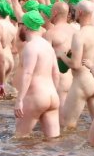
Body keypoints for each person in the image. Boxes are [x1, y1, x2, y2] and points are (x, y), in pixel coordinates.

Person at [14, 10, 60, 138]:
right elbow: (56, 73)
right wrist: (54, 92)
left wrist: (19, 100)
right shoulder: (47, 46)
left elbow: (28, 73)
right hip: (52, 96)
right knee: (53, 140)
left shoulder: (31, 46)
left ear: (26, 27)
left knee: (20, 138)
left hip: (36, 97)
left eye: (20, 24)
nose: (19, 28)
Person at [59, 0, 94, 130]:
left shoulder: (79, 35)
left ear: (80, 12)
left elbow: (75, 64)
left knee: (67, 125)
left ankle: (72, 145)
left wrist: (61, 55)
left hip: (82, 81)